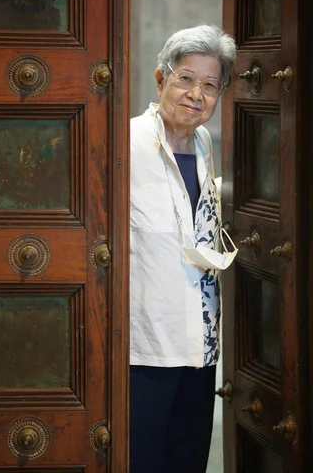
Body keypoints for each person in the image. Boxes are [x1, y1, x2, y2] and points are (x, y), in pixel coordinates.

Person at [130, 24, 237, 473]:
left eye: (210, 86)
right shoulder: (127, 142)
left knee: (188, 459)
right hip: (144, 343)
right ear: (161, 80)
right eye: (186, 79)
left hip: (200, 343)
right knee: (142, 460)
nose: (197, 95)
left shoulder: (204, 142)